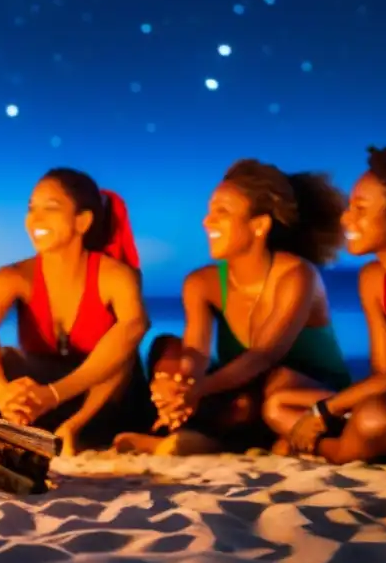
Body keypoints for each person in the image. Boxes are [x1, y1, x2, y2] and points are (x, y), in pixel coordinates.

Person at [115, 159, 352, 455]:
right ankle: (190, 433)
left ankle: (220, 439)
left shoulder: (297, 276)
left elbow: (264, 355)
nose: (206, 221)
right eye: (209, 211)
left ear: (259, 225)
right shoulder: (202, 283)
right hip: (247, 390)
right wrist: (178, 386)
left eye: (221, 213)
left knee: (273, 385)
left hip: (299, 394)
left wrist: (197, 390)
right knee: (167, 348)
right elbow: (196, 352)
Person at [0, 168, 155, 456]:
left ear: (82, 221)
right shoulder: (14, 276)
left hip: (104, 408)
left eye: (50, 208)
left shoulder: (116, 276)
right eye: (31, 208)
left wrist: (56, 399)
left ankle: (74, 432)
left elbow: (135, 327)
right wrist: (3, 393)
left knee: (123, 351)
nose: (35, 219)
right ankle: (7, 430)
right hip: (40, 405)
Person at [263, 147, 386, 465]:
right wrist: (331, 410)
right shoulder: (373, 279)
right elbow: (385, 375)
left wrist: (326, 411)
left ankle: (328, 449)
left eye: (360, 208)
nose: (346, 218)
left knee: (374, 416)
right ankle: (350, 441)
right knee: (279, 403)